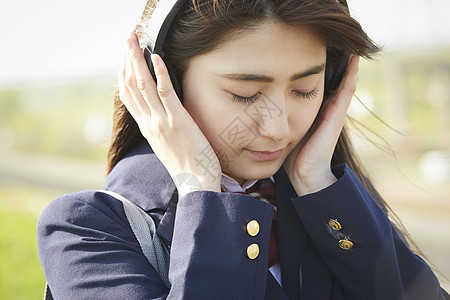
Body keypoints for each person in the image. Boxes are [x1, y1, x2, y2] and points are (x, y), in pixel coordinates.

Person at [37, 0, 449, 299]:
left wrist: (318, 183)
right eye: (246, 94)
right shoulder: (85, 230)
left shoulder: (322, 201)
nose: (277, 128)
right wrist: (200, 187)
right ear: (166, 88)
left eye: (305, 89)